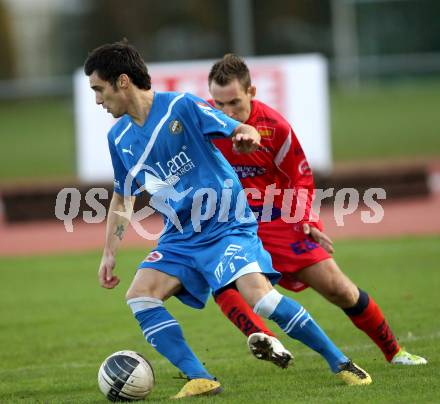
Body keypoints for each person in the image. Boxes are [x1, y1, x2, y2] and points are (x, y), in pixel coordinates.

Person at [84, 41, 372, 400]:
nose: (97, 99)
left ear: (122, 81)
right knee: (140, 296)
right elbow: (123, 197)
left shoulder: (181, 106)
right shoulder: (119, 138)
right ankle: (200, 377)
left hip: (226, 224)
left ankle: (340, 362)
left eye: (98, 88)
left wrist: (247, 135)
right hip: (181, 236)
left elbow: (236, 128)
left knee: (262, 300)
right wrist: (109, 252)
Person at [208, 53, 427, 369]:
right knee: (223, 282)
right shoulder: (204, 122)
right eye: (219, 104)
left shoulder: (275, 127)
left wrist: (307, 220)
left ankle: (395, 353)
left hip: (279, 221)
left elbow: (300, 176)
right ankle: (267, 341)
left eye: (234, 103)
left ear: (252, 93)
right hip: (233, 226)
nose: (227, 112)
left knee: (340, 289)